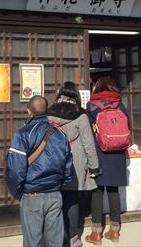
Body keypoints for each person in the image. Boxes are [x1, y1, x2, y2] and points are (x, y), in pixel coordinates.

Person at [6, 95, 73, 247]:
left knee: (33, 241)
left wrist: (17, 191)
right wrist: (60, 185)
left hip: (32, 194)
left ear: (28, 111)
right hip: (54, 192)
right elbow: (68, 164)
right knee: (55, 240)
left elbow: (15, 170)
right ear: (46, 111)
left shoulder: (23, 134)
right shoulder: (60, 133)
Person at [48, 82, 100, 247]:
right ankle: (73, 238)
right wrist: (94, 167)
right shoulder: (81, 116)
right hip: (75, 167)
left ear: (59, 95)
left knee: (57, 201)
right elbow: (89, 144)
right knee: (72, 201)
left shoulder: (49, 114)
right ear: (76, 97)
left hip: (53, 163)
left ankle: (57, 237)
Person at [85, 76, 129, 245]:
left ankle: (96, 234)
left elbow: (88, 134)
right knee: (113, 191)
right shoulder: (121, 105)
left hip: (98, 153)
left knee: (96, 192)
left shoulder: (91, 107)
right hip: (117, 153)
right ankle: (115, 231)